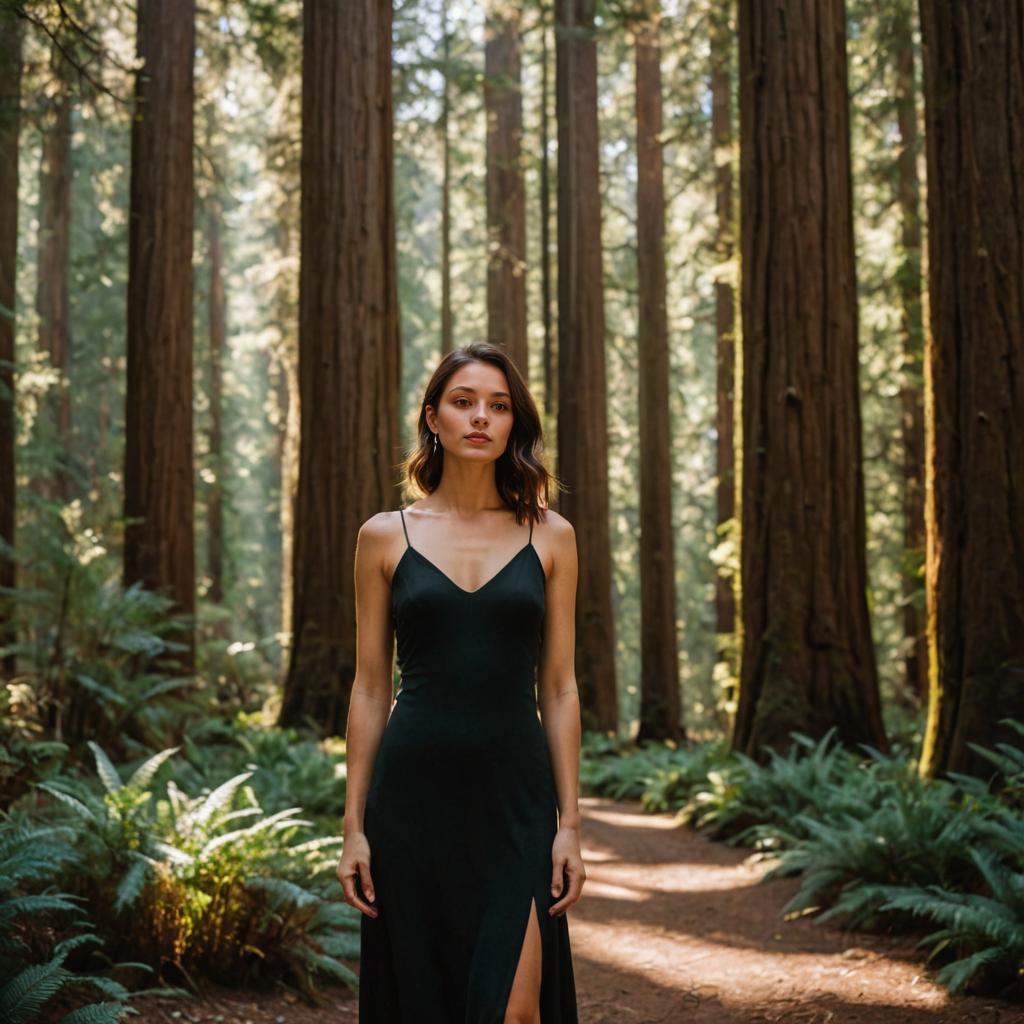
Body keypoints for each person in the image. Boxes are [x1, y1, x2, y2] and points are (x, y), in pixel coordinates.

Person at [338, 341, 585, 1023]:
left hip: (515, 802)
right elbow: (367, 687)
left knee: (516, 1009)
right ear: (434, 417)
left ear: (514, 425)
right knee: (423, 999)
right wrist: (353, 826)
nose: (481, 417)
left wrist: (571, 825)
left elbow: (560, 688)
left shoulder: (551, 536)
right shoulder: (384, 537)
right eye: (464, 401)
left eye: (499, 406)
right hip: (411, 801)